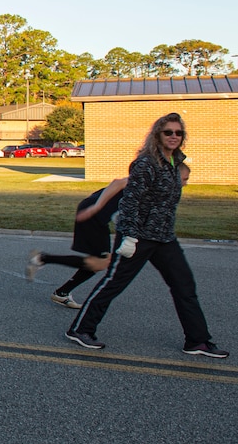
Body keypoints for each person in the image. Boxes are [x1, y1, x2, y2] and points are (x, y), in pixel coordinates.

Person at [65, 113, 228, 358]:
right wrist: (129, 237)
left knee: (185, 287)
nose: (174, 136)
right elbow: (130, 202)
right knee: (113, 283)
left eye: (178, 133)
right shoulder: (146, 163)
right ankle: (80, 329)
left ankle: (197, 341)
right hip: (137, 237)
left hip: (164, 238)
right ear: (157, 135)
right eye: (168, 132)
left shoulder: (176, 162)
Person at [28, 164, 190, 309]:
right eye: (184, 179)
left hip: (97, 216)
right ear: (174, 177)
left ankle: (59, 286)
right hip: (92, 214)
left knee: (99, 262)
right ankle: (45, 263)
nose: (186, 183)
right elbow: (117, 183)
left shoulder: (159, 189)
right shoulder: (150, 181)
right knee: (101, 262)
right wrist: (97, 207)